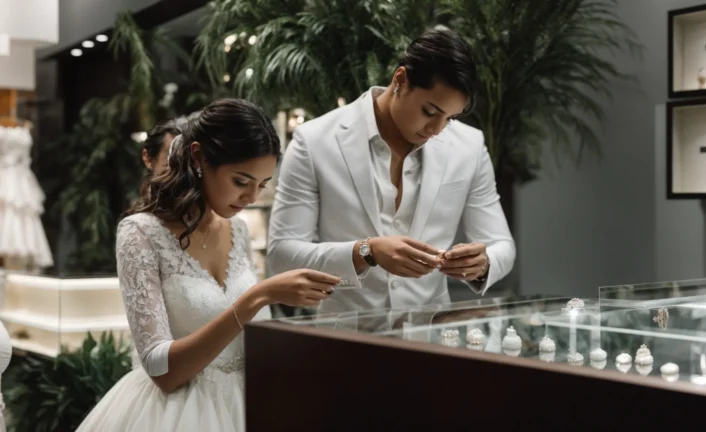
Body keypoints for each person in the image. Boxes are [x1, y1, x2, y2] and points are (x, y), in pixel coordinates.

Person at [76, 98, 340, 432]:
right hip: (176, 414)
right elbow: (162, 371)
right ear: (199, 157)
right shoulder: (140, 232)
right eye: (241, 181)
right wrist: (258, 297)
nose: (251, 198)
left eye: (262, 185)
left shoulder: (239, 230)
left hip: (253, 403)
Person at [267, 27, 516, 314]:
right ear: (400, 80)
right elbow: (281, 255)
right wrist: (366, 252)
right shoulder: (313, 142)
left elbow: (502, 246)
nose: (437, 129)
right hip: (341, 340)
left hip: (430, 341)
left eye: (450, 118)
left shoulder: (469, 147)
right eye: (430, 112)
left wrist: (482, 264)